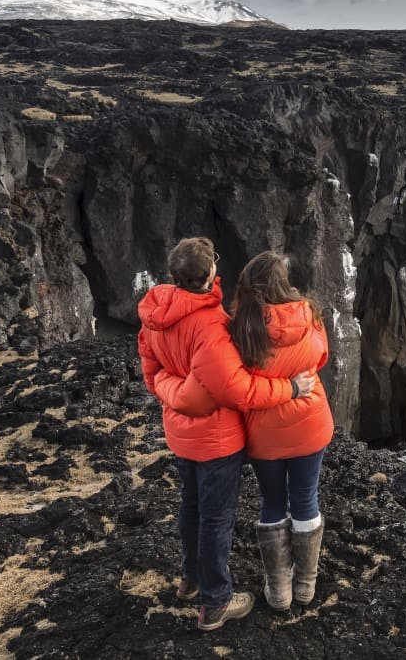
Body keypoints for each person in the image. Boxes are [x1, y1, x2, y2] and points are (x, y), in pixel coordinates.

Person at [138, 237, 316, 632]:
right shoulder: (212, 326)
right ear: (211, 273)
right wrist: (290, 389)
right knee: (216, 519)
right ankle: (216, 603)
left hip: (181, 435)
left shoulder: (155, 312)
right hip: (217, 441)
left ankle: (192, 579)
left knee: (191, 507)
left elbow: (153, 376)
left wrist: (174, 392)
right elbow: (237, 390)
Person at [226, 251, 334, 611]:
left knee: (273, 501)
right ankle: (306, 586)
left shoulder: (241, 325)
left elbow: (236, 378)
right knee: (305, 499)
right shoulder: (309, 313)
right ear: (283, 282)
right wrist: (294, 381)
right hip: (309, 423)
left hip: (265, 432)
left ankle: (280, 591)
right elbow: (321, 358)